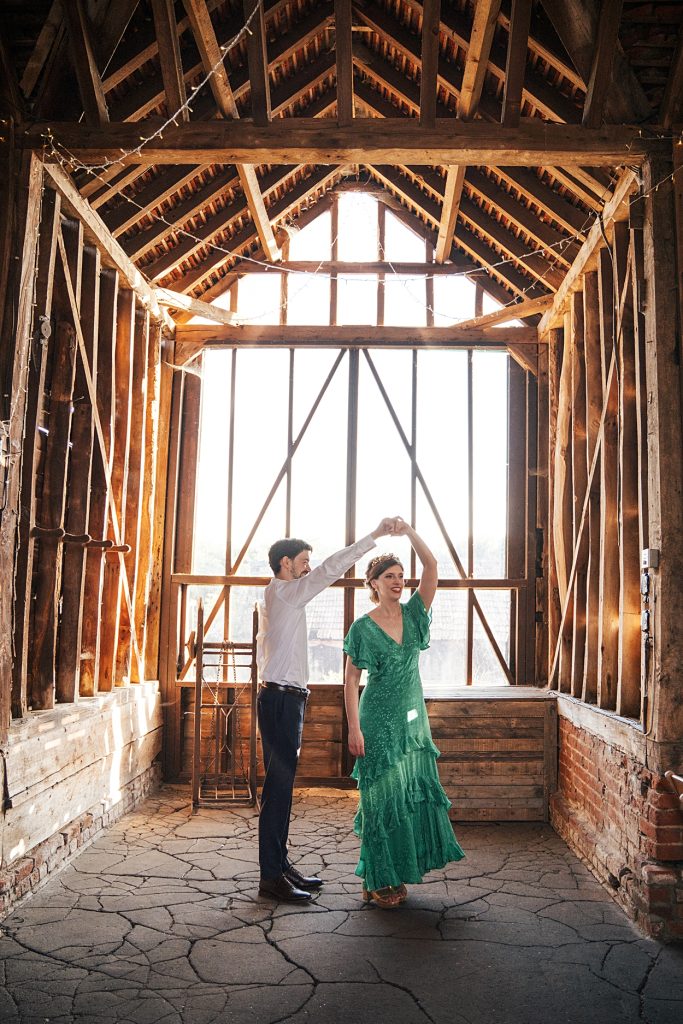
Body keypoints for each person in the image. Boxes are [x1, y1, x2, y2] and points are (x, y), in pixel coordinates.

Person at [256, 517, 400, 903]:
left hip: (283, 697)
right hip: (281, 699)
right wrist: (373, 537)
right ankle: (271, 876)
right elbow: (331, 569)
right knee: (279, 788)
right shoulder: (287, 592)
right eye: (303, 560)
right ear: (286, 563)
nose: (308, 565)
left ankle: (280, 867)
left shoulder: (280, 596)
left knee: (282, 789)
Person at [343, 518, 465, 908]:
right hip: (377, 718)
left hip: (413, 718)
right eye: (389, 576)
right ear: (374, 584)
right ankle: (378, 876)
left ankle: (393, 870)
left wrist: (409, 531)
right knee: (381, 798)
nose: (398, 581)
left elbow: (432, 567)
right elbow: (350, 682)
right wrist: (354, 729)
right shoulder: (362, 628)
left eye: (400, 576)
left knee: (407, 795)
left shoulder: (414, 613)